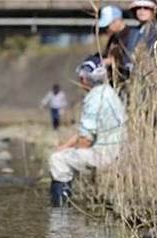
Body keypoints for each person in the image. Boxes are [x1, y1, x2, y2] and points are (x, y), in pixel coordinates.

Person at [48, 55, 126, 207]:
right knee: (61, 153)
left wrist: (62, 151)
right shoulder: (109, 92)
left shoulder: (93, 99)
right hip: (119, 150)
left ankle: (59, 212)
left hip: (105, 155)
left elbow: (85, 141)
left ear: (84, 79)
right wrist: (64, 147)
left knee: (57, 159)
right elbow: (86, 133)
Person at [98, 5, 133, 86]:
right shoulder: (114, 38)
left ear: (117, 20)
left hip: (126, 83)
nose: (106, 28)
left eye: (108, 24)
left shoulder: (131, 36)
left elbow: (130, 60)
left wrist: (113, 61)